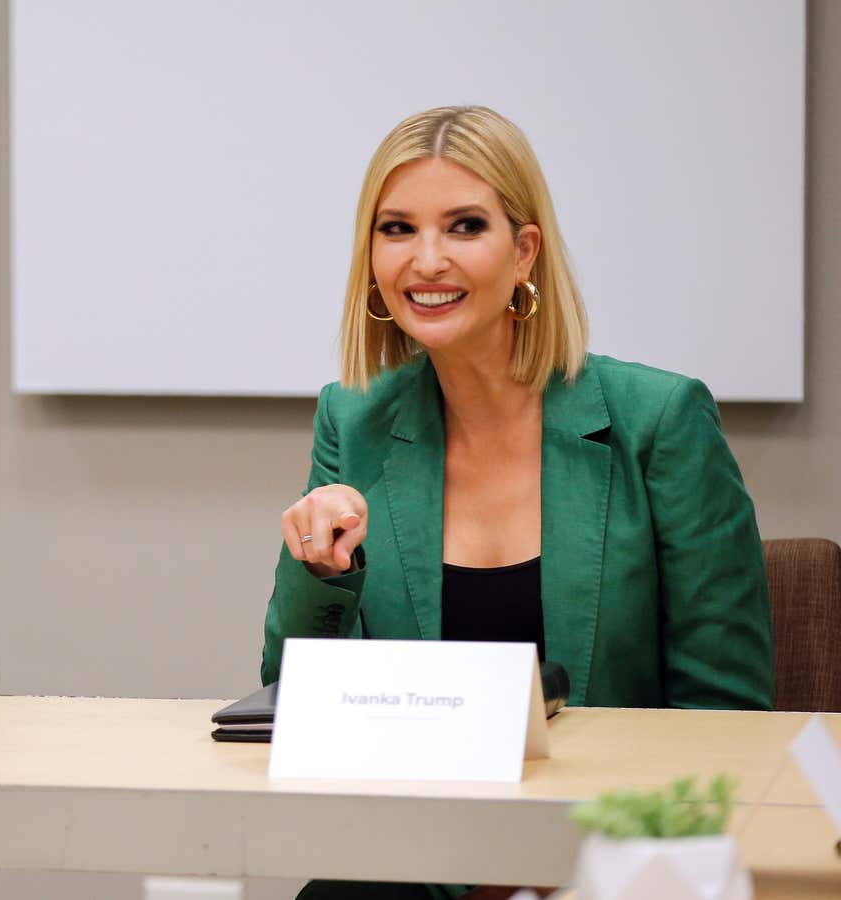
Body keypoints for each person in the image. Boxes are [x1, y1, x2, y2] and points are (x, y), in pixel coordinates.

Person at [263, 106, 774, 898]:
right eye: (397, 229)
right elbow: (292, 701)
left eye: (464, 226)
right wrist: (317, 572)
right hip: (416, 866)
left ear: (523, 251)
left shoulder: (659, 422)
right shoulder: (352, 419)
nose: (426, 261)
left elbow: (728, 723)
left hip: (610, 866)